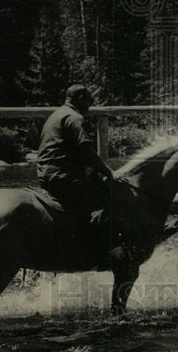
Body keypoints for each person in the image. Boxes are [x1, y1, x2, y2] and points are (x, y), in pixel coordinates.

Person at [37, 84, 126, 256]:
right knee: (106, 202)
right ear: (81, 99)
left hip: (46, 174)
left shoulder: (56, 115)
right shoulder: (74, 117)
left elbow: (67, 151)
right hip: (62, 175)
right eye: (90, 101)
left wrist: (92, 173)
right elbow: (86, 151)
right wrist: (110, 173)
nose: (89, 107)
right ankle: (110, 251)